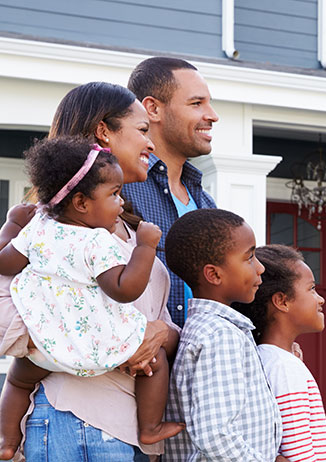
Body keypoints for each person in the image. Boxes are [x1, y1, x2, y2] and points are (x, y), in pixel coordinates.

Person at [0, 81, 180, 462]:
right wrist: (72, 342)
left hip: (123, 427)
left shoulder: (125, 229)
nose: (152, 145)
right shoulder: (48, 228)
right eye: (143, 130)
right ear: (104, 132)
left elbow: (153, 320)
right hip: (72, 420)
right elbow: (7, 311)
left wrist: (160, 334)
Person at [163, 209, 288, 462]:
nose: (260, 267)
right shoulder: (220, 335)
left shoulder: (208, 329)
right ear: (214, 274)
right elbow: (215, 434)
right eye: (249, 257)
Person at [123, 57, 219, 327]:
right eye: (196, 103)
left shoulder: (207, 205)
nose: (212, 115)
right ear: (152, 109)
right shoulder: (119, 190)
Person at [240, 245, 326, 462]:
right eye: (311, 289)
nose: (321, 299)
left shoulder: (267, 359)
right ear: (282, 301)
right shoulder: (284, 368)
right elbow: (298, 455)